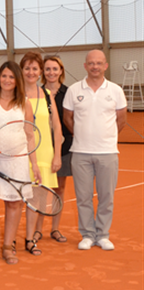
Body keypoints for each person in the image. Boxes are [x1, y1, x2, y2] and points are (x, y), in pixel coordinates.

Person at [63, 49, 127, 251]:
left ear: (105, 66)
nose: (95, 66)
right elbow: (67, 118)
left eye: (99, 63)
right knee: (83, 197)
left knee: (106, 196)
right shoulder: (74, 90)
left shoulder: (115, 90)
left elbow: (121, 120)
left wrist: (106, 138)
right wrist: (82, 136)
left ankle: (103, 235)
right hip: (80, 153)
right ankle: (88, 235)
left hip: (108, 153)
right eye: (91, 63)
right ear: (85, 66)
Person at [0, 61, 41, 265]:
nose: (7, 80)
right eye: (4, 76)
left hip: (19, 161)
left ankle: (7, 247)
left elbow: (29, 134)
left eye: (11, 77)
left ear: (17, 81)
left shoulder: (25, 102)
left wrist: (35, 165)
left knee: (14, 204)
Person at [20, 52, 63, 256]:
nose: (31, 72)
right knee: (16, 199)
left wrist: (57, 155)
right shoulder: (16, 93)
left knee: (37, 200)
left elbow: (56, 125)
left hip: (44, 153)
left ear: (40, 73)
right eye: (27, 68)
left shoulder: (46, 94)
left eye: (35, 68)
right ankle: (10, 239)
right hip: (21, 154)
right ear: (21, 71)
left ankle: (30, 239)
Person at [35, 55, 72, 243]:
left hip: (64, 148)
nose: (51, 72)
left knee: (60, 189)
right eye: (47, 69)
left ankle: (55, 229)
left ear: (61, 71)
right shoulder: (37, 92)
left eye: (54, 69)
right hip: (41, 148)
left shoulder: (69, 92)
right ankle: (37, 230)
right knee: (42, 189)